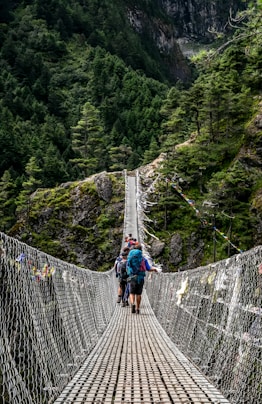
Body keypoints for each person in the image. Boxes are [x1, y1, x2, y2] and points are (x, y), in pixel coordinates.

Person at [128, 242, 157, 314]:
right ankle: (138, 308)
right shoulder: (143, 259)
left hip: (132, 277)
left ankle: (132, 304)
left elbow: (128, 266)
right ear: (141, 250)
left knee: (131, 293)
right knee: (138, 294)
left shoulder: (131, 257)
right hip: (140, 278)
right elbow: (148, 268)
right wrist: (155, 269)